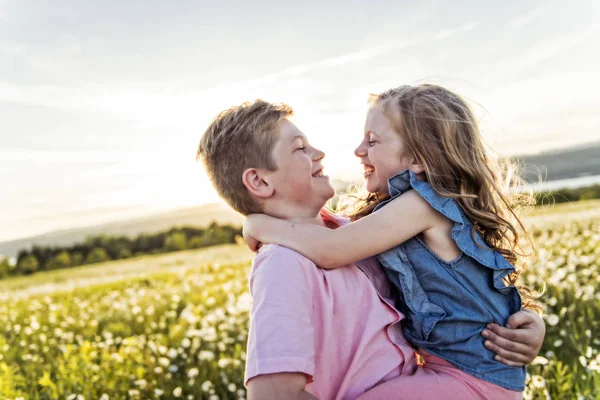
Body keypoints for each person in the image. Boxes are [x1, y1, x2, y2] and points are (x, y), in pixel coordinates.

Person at [197, 98, 544, 400]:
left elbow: (464, 286)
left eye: (373, 141)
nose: (320, 153)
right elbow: (273, 395)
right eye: (300, 148)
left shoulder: (356, 237)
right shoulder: (283, 263)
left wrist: (527, 321)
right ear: (259, 181)